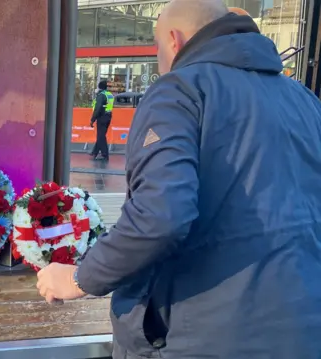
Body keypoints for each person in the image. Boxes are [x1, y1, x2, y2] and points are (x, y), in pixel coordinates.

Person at [36, 0, 321, 358]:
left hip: (200, 335)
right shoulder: (305, 100)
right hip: (304, 329)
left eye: (156, 47)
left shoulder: (180, 91)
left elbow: (159, 216)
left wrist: (78, 279)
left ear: (174, 39)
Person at [89, 80, 113, 161]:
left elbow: (98, 108)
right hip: (108, 116)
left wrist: (93, 119)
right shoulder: (109, 94)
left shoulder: (101, 95)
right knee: (101, 135)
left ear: (99, 87)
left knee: (101, 136)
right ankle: (95, 152)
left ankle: (105, 155)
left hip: (102, 117)